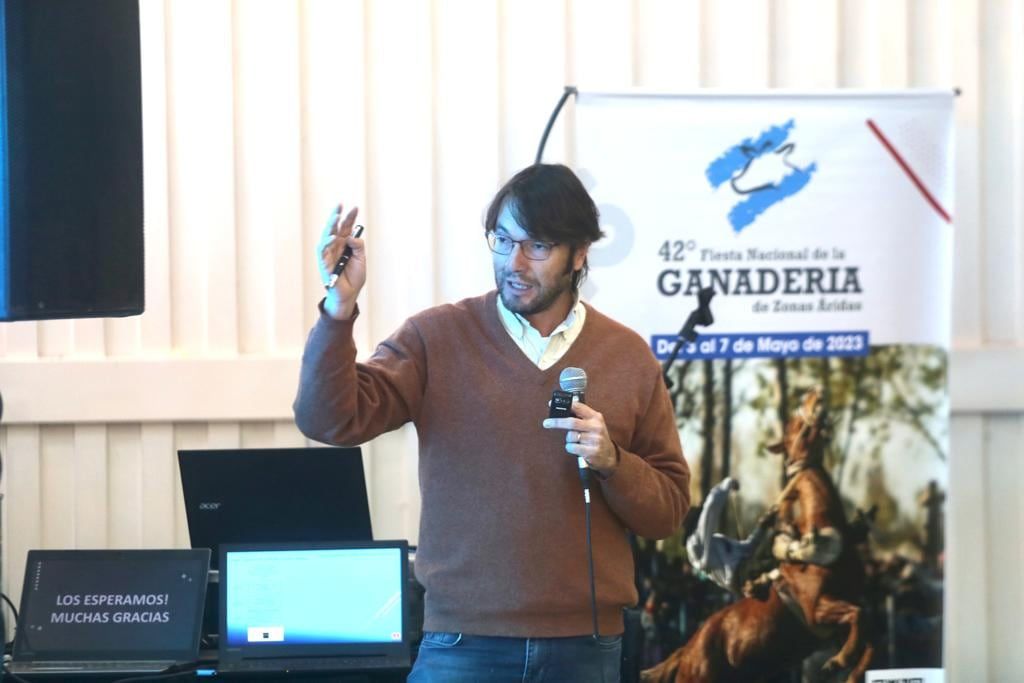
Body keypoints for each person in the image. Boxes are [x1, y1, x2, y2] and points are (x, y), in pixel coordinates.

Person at [293, 164, 691, 682]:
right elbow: (329, 421)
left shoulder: (628, 356)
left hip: (586, 648)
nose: (515, 262)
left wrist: (614, 462)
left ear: (581, 254)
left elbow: (667, 513)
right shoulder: (436, 338)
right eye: (502, 240)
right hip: (460, 644)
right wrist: (339, 307)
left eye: (537, 246)